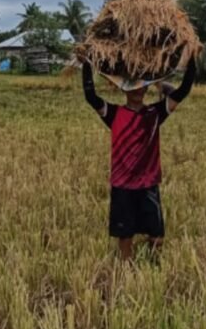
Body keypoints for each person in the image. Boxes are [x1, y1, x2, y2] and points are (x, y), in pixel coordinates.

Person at [81, 55, 197, 262]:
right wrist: (87, 65)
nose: (137, 91)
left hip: (148, 184)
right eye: (132, 87)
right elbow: (91, 96)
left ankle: (152, 266)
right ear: (124, 90)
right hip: (123, 184)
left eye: (142, 87)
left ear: (146, 89)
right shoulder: (114, 113)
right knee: (125, 237)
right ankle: (126, 271)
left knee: (157, 237)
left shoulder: (156, 112)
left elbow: (184, 90)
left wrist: (192, 60)